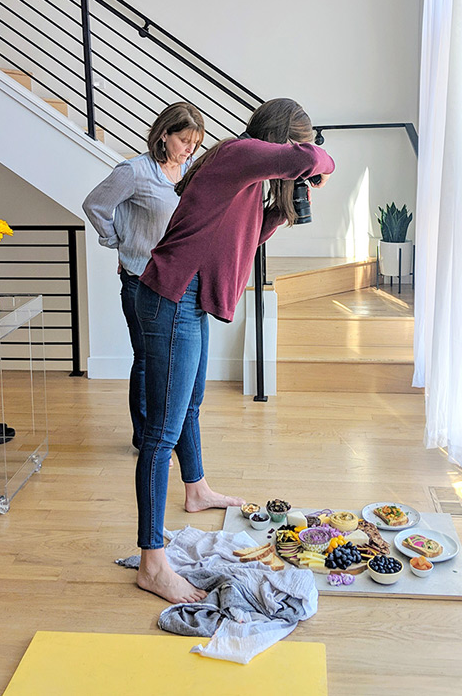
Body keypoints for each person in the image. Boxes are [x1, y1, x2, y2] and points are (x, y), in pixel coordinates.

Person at [133, 97, 334, 604]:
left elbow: (237, 235)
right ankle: (152, 563)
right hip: (170, 297)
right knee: (160, 432)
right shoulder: (238, 153)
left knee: (190, 404)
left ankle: (196, 489)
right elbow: (311, 161)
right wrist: (319, 162)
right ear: (283, 139)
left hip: (188, 301)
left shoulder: (243, 175)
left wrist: (279, 216)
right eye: (298, 142)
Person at [82, 102, 206, 450]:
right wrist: (119, 244)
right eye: (183, 140)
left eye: (195, 143)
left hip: (181, 280)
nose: (189, 150)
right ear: (164, 135)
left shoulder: (192, 170)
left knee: (177, 365)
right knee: (148, 358)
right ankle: (146, 437)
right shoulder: (135, 171)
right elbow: (95, 205)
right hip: (141, 280)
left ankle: (170, 435)